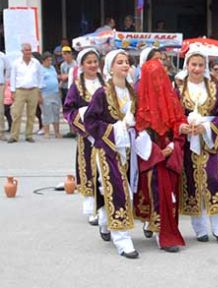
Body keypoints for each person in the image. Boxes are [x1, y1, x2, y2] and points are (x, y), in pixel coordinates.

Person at [178, 48, 218, 245]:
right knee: (192, 183)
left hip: (210, 144)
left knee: (215, 180)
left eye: (200, 65)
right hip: (189, 144)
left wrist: (206, 128)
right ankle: (200, 227)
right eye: (193, 64)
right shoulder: (178, 89)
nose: (196, 68)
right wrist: (183, 127)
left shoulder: (215, 88)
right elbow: (174, 115)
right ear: (187, 65)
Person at [83, 49, 139, 259]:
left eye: (127, 62)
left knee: (121, 189)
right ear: (110, 67)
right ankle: (122, 239)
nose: (125, 65)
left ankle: (105, 221)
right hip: (108, 148)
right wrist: (115, 128)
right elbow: (90, 121)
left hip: (129, 148)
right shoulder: (102, 93)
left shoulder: (132, 91)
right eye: (120, 62)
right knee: (117, 190)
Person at [134, 58, 188, 252]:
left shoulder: (171, 98)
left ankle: (160, 227)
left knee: (170, 190)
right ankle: (162, 233)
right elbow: (138, 131)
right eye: (153, 78)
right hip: (151, 156)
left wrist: (175, 141)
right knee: (158, 189)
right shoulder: (139, 101)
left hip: (171, 152)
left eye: (160, 77)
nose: (157, 82)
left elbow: (178, 121)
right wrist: (158, 152)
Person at [63, 48, 104, 225]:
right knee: (88, 167)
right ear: (82, 65)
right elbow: (68, 110)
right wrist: (83, 126)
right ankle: (91, 208)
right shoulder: (76, 86)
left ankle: (104, 205)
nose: (93, 65)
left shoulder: (106, 83)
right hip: (86, 135)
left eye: (95, 61)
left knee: (104, 168)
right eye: (89, 62)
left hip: (104, 134)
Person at [8, 43, 43, 143]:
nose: (28, 52)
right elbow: (12, 77)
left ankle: (29, 135)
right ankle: (14, 136)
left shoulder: (36, 63)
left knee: (31, 114)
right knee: (17, 114)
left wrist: (39, 90)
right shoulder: (16, 63)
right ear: (22, 52)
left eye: (29, 50)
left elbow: (40, 76)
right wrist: (13, 91)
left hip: (33, 90)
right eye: (26, 50)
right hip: (20, 90)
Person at [39, 52, 61, 139]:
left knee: (56, 113)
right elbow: (39, 83)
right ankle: (46, 132)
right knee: (47, 113)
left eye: (51, 60)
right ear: (43, 61)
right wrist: (39, 95)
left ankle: (57, 132)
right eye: (48, 60)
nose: (50, 62)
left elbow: (55, 78)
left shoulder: (52, 68)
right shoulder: (41, 70)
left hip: (55, 92)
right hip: (45, 93)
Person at [59, 46, 77, 138]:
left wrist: (66, 76)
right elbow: (62, 76)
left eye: (67, 54)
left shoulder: (75, 64)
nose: (65, 56)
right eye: (63, 54)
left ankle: (76, 129)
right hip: (65, 88)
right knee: (67, 109)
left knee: (74, 109)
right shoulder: (63, 65)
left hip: (73, 88)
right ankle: (71, 130)